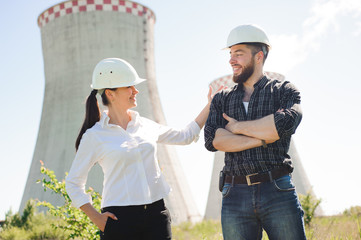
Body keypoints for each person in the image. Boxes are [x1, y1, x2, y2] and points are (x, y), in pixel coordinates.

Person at [66, 58, 218, 240]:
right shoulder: (94, 136)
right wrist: (97, 218)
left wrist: (210, 105)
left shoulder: (145, 125)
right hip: (119, 220)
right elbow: (73, 183)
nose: (135, 91)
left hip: (156, 215)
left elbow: (185, 136)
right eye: (129, 86)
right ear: (110, 94)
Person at [204, 24, 306, 240]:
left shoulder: (283, 91)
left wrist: (237, 128)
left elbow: (285, 123)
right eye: (231, 54)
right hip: (234, 193)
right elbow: (213, 140)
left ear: (259, 56)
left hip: (277, 189)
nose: (231, 60)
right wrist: (264, 138)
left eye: (238, 54)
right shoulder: (221, 99)